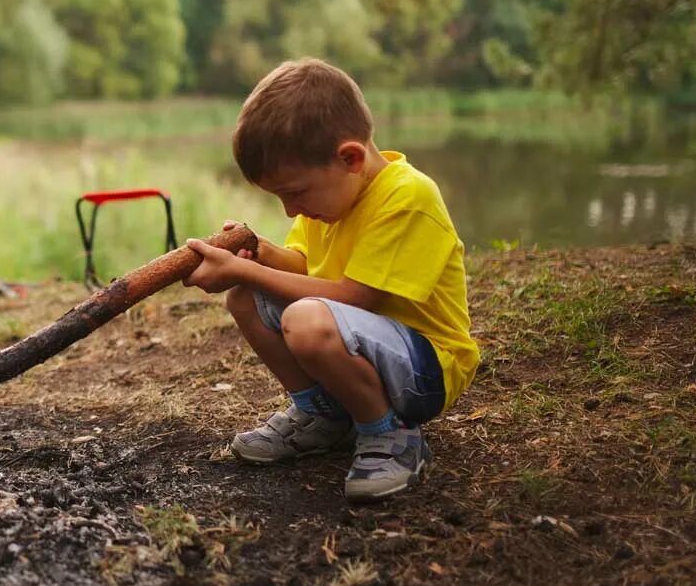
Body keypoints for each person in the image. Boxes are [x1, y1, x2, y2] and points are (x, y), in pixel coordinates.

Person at [183, 58, 480, 502]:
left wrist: (245, 268)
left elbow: (354, 297)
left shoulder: (408, 196)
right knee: (246, 296)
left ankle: (392, 434)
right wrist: (258, 253)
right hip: (362, 345)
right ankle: (323, 417)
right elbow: (305, 267)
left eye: (295, 193)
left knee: (305, 320)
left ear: (350, 158)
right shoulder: (331, 201)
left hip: (425, 370)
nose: (290, 210)